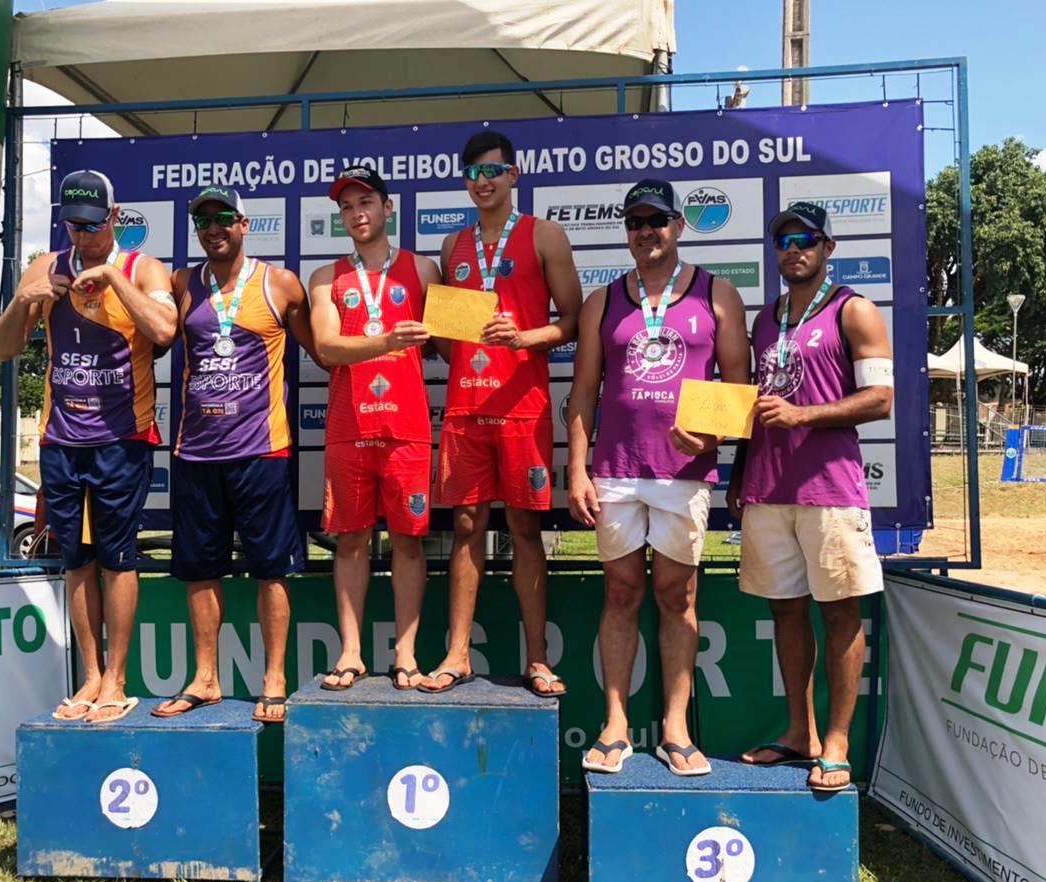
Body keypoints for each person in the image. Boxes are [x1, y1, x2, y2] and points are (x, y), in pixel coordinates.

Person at [567, 179, 750, 774]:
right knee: (620, 592)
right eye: (636, 222)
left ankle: (675, 728)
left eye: (658, 221)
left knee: (678, 595)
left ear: (679, 226)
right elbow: (583, 392)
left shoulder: (718, 295)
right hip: (616, 471)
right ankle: (615, 724)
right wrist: (576, 466)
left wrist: (712, 439)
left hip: (683, 472)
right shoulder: (603, 300)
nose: (647, 232)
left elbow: (737, 389)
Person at [0, 170, 177, 723]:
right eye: (74, 226)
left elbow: (164, 330)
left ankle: (118, 679)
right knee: (76, 560)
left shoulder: (143, 268)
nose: (83, 237)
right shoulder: (46, 268)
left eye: (93, 227)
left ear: (113, 219)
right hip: (62, 440)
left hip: (122, 438)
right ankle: (90, 676)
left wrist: (113, 278)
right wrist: (22, 301)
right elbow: (3, 349)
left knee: (118, 560)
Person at [729, 201, 893, 792]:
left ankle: (837, 741)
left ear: (827, 248)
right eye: (783, 240)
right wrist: (739, 473)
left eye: (806, 239)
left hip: (829, 489)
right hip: (768, 489)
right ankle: (799, 732)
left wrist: (804, 415)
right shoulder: (766, 318)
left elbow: (880, 401)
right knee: (785, 610)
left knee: (840, 611)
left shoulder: (856, 310)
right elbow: (756, 402)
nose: (793, 248)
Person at [426, 131, 583, 696]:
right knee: (465, 526)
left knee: (524, 528)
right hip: (467, 407)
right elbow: (446, 333)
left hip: (523, 407)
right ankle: (457, 652)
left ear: (514, 175)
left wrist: (522, 338)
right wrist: (465, 352)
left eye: (493, 171)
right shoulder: (452, 246)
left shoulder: (545, 235)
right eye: (472, 173)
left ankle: (537, 658)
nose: (483, 182)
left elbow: (572, 320)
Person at [151, 185, 315, 723]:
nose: (213, 228)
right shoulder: (181, 283)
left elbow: (324, 348)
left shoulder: (280, 284)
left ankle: (274, 678)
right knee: (201, 570)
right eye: (203, 221)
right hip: (196, 452)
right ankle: (206, 678)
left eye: (223, 217)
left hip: (262, 451)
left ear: (245, 224)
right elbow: (153, 341)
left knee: (271, 570)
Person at [308, 167, 441, 692]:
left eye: (366, 202)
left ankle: (406, 653)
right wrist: (388, 342)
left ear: (388, 209)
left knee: (409, 543)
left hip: (407, 428)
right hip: (349, 426)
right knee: (351, 541)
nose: (357, 213)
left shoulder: (423, 270)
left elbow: (450, 339)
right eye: (347, 206)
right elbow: (327, 347)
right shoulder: (326, 278)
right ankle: (351, 652)